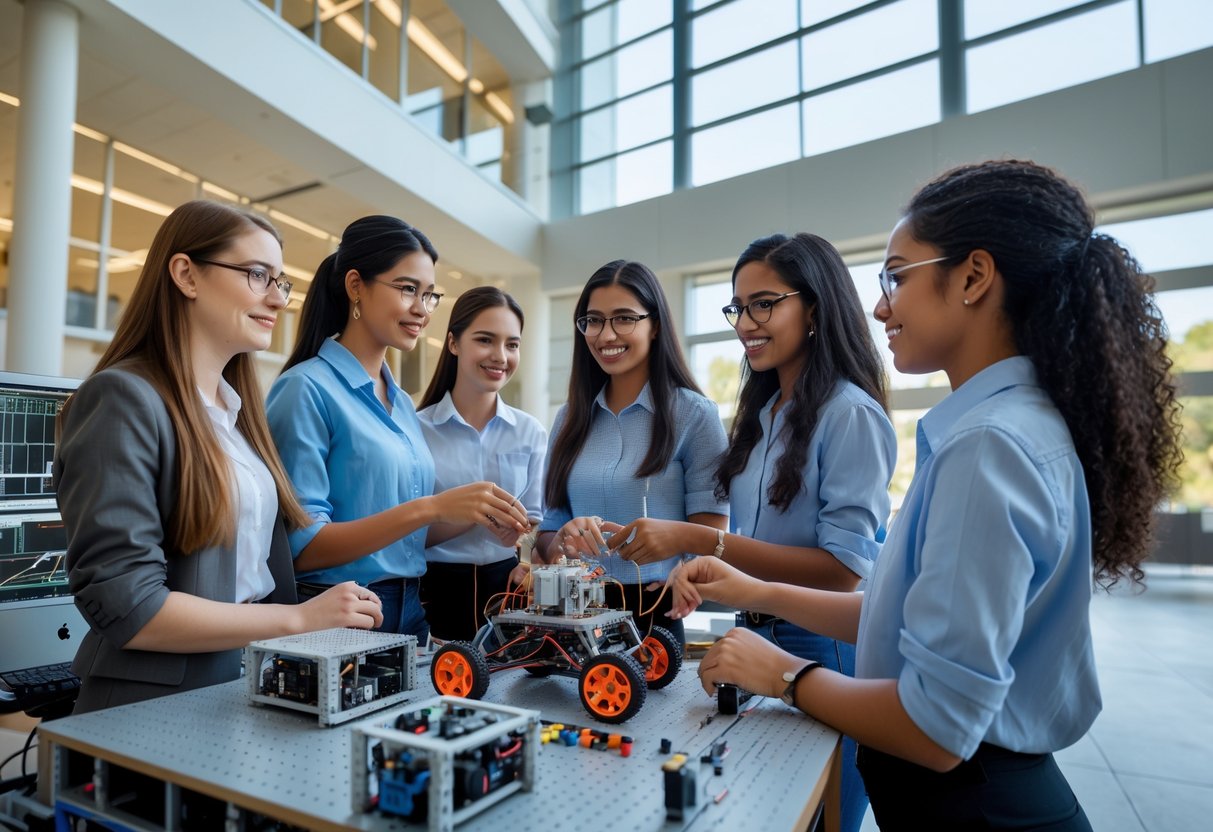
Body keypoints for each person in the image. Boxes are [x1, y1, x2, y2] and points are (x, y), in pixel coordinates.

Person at [669, 160, 1183, 831]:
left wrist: (783, 673)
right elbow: (906, 617)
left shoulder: (987, 447)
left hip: (976, 805)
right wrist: (753, 592)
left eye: (896, 277)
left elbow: (936, 727)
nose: (880, 306)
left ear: (971, 277)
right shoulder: (1003, 429)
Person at [608, 232, 895, 832]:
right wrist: (706, 578)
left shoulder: (852, 415)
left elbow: (845, 572)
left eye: (764, 304)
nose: (745, 323)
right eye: (738, 307)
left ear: (813, 306)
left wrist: (697, 542)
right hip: (752, 636)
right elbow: (758, 553)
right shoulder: (764, 414)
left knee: (821, 819)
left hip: (824, 647)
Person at [56, 200, 384, 714]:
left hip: (244, 685)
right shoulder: (121, 398)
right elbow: (129, 606)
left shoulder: (237, 416)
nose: (277, 299)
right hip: (151, 710)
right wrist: (302, 618)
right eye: (258, 275)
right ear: (186, 274)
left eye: (281, 282)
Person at [267, 216, 529, 641]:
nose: (422, 310)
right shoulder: (305, 389)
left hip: (412, 606)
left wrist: (473, 517)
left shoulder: (401, 401)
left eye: (429, 295)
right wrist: (432, 507)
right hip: (342, 609)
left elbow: (403, 539)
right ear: (356, 285)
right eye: (408, 289)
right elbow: (303, 548)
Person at [536, 260, 729, 643]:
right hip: (576, 612)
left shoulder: (694, 414)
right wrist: (562, 540)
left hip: (655, 614)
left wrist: (687, 569)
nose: (606, 334)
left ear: (655, 325)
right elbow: (550, 526)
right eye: (593, 320)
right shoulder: (569, 418)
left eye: (624, 318)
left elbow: (712, 534)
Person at [417, 286, 546, 641]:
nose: (500, 356)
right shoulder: (415, 430)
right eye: (486, 340)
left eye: (512, 344)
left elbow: (536, 523)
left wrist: (522, 538)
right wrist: (467, 515)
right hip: (432, 592)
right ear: (454, 343)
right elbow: (402, 532)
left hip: (508, 589)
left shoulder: (530, 432)